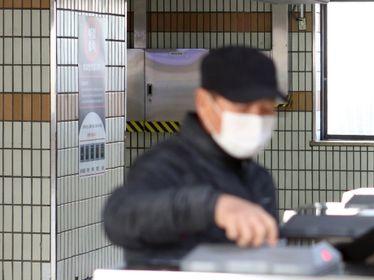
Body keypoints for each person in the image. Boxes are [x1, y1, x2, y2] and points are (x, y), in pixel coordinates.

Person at [103, 47, 283, 267]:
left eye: (265, 110)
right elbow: (120, 216)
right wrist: (214, 206)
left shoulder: (258, 178)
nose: (255, 121)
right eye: (243, 108)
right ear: (204, 103)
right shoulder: (165, 164)